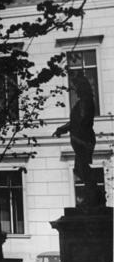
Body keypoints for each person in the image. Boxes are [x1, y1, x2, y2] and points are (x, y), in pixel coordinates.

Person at [53, 72, 99, 208]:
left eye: (76, 86)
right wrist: (63, 128)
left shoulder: (85, 102)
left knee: (81, 168)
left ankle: (93, 196)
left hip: (83, 140)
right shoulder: (84, 102)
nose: (75, 90)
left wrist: (66, 129)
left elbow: (82, 120)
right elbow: (76, 121)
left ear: (82, 87)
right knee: (80, 168)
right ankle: (94, 195)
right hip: (82, 139)